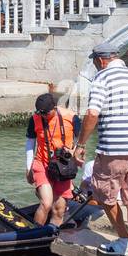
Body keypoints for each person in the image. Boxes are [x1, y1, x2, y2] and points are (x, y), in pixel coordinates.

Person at [73, 41, 128, 256]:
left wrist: (80, 144)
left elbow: (92, 113)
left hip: (113, 150)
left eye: (94, 62)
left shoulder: (102, 79)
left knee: (105, 195)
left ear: (100, 61)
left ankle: (123, 240)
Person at [26, 92, 76, 228]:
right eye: (40, 113)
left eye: (46, 114)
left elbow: (81, 139)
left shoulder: (71, 117)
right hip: (42, 163)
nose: (43, 116)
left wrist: (74, 150)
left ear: (54, 108)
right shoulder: (35, 118)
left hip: (63, 166)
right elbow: (30, 143)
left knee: (59, 208)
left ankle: (52, 235)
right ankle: (34, 234)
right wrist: (28, 167)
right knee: (46, 203)